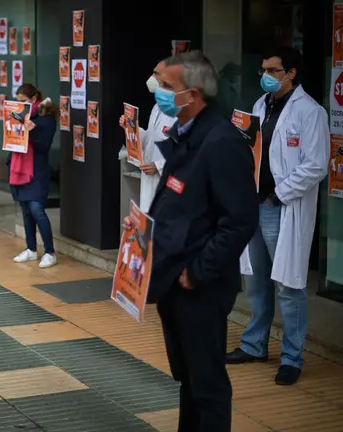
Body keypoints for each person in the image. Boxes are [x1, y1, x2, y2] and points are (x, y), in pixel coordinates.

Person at [131, 51, 258, 431]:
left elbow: (239, 221)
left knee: (208, 386)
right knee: (190, 380)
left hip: (199, 286)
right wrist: (141, 227)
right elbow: (178, 203)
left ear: (193, 93)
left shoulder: (220, 142)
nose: (160, 92)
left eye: (168, 87)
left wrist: (196, 273)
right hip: (175, 282)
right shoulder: (186, 136)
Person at [226, 47, 329, 386]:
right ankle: (254, 345)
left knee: (287, 286)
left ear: (291, 73)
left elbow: (315, 165)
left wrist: (278, 193)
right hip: (253, 205)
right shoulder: (260, 106)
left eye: (273, 69)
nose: (265, 75)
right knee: (256, 282)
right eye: (263, 69)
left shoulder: (310, 112)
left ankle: (291, 357)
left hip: (281, 207)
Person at [9, 83, 58, 268]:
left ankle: (50, 252)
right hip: (18, 167)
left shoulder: (46, 118)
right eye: (18, 101)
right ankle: (31, 249)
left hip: (36, 170)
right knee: (26, 210)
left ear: (34, 100)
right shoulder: (18, 117)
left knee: (36, 208)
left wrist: (32, 130)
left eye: (24, 101)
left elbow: (43, 146)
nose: (20, 105)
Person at [118, 59, 177, 212]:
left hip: (167, 185)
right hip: (149, 181)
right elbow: (149, 140)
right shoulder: (157, 107)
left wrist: (159, 166)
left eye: (156, 73)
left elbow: (187, 149)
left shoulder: (181, 111)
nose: (152, 77)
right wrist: (131, 129)